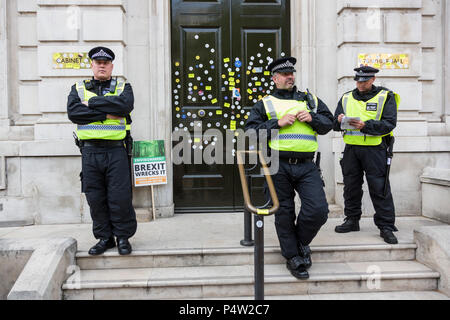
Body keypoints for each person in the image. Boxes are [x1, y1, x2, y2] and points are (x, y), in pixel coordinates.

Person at [245, 57, 333, 279]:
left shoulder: (310, 100)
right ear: (275, 79)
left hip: (307, 165)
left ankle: (301, 241)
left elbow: (328, 124)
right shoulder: (264, 104)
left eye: (292, 73)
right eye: (284, 74)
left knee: (318, 210)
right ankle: (293, 257)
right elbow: (251, 133)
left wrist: (312, 118)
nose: (290, 77)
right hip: (277, 165)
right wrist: (277, 123)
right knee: (283, 213)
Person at [67, 47, 137, 255]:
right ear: (92, 65)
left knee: (120, 197)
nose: (102, 65)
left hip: (116, 152)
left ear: (112, 66)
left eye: (106, 63)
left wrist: (93, 103)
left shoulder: (123, 86)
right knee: (95, 198)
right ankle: (104, 238)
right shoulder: (78, 88)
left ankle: (123, 237)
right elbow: (75, 113)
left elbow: (125, 106)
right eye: (98, 62)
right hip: (90, 153)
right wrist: (107, 114)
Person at [333, 65, 401, 244]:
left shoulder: (386, 96)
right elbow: (333, 123)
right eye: (358, 80)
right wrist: (339, 120)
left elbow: (389, 123)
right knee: (351, 186)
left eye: (364, 81)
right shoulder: (346, 97)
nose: (360, 84)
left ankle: (386, 225)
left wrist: (366, 126)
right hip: (351, 150)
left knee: (379, 187)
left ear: (373, 80)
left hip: (375, 149)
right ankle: (352, 220)